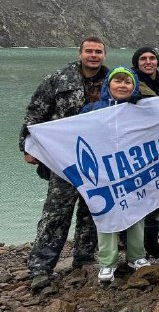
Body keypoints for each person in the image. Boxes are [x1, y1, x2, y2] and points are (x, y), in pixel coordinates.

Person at [20, 36, 109, 292]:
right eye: (89, 51)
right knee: (56, 213)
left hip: (98, 159)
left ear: (105, 54)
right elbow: (36, 111)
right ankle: (41, 267)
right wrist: (27, 146)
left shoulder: (113, 79)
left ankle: (83, 258)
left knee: (92, 211)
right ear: (80, 53)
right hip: (63, 159)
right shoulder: (58, 79)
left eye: (98, 51)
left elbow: (134, 102)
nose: (93, 55)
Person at [80, 67, 151, 282]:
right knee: (106, 213)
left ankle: (136, 256)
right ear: (108, 85)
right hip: (104, 172)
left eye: (127, 82)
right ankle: (107, 262)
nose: (122, 85)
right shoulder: (92, 110)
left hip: (133, 169)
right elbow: (74, 133)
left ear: (134, 86)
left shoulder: (141, 110)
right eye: (117, 81)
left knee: (137, 211)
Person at [131, 46, 159, 258]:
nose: (148, 61)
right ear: (136, 63)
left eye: (152, 58)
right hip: (137, 149)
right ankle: (132, 245)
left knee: (155, 195)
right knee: (135, 196)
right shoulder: (129, 82)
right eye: (143, 58)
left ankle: (152, 242)